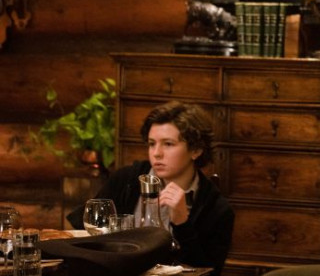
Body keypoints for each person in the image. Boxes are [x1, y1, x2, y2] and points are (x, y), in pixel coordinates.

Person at [68, 101, 234, 275]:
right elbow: (82, 230)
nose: (156, 153)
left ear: (196, 150)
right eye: (152, 143)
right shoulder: (126, 179)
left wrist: (182, 223)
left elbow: (207, 271)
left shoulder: (217, 208)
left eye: (168, 144)